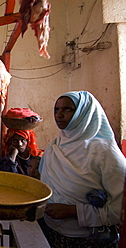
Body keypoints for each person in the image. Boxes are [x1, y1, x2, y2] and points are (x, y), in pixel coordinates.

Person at [38, 91, 126, 247]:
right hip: (51, 231)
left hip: (89, 239)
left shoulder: (105, 153)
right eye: (56, 110)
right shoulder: (54, 147)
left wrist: (74, 211)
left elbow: (120, 208)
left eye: (67, 109)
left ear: (83, 112)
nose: (59, 115)